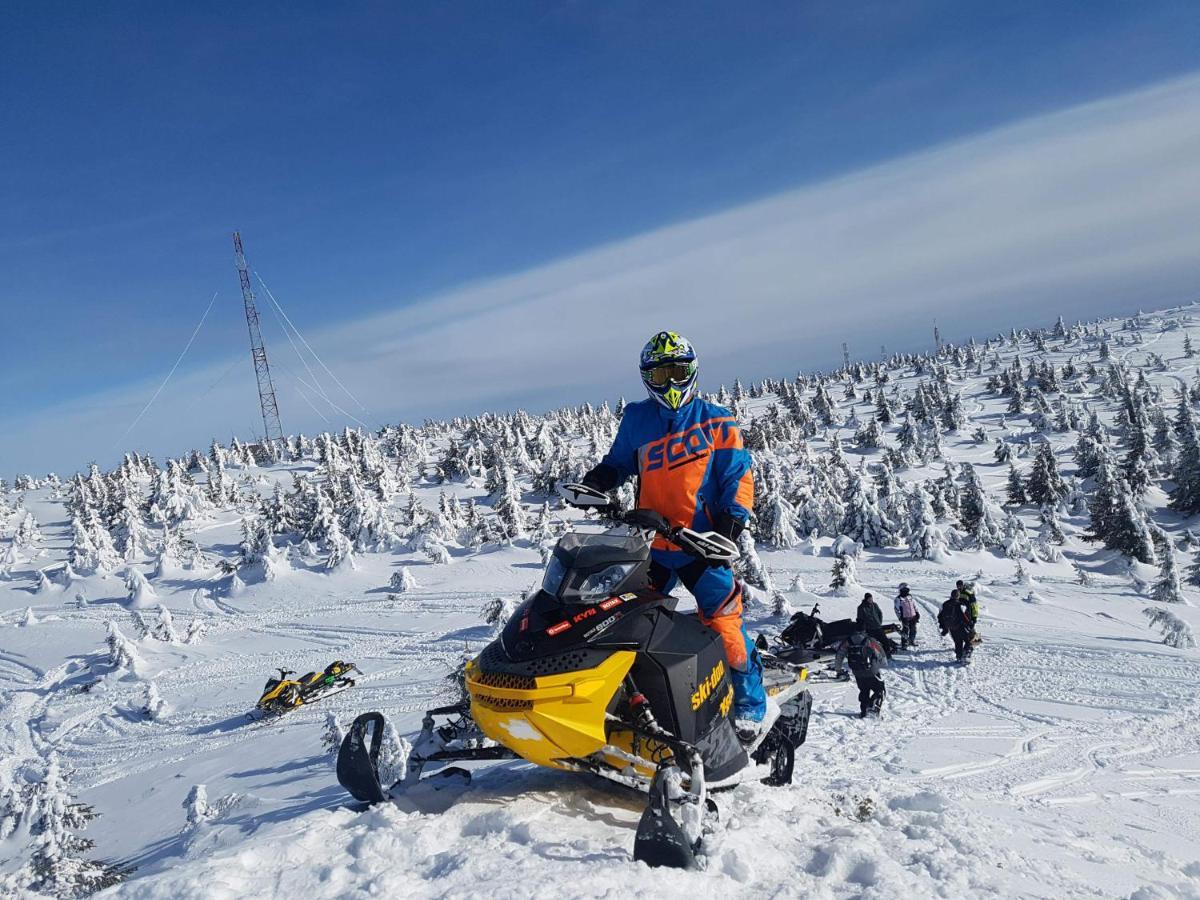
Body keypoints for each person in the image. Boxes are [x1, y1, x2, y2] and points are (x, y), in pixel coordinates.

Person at [578, 331, 767, 739]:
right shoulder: (637, 419)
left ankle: (750, 702)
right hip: (651, 545)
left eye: (677, 372)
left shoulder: (717, 420)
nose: (669, 383)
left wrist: (731, 527)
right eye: (660, 374)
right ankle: (630, 702)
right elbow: (618, 463)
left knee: (724, 626)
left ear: (692, 372)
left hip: (701, 544)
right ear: (648, 377)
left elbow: (738, 476)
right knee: (621, 621)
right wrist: (596, 481)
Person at [834, 625, 886, 718]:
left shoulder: (848, 641)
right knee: (880, 690)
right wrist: (881, 665)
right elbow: (880, 654)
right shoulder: (869, 640)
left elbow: (840, 654)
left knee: (864, 691)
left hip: (857, 672)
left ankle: (864, 711)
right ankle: (873, 708)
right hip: (872, 671)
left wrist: (838, 668)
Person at [938, 589, 976, 664]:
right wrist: (970, 624)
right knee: (970, 641)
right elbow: (965, 617)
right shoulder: (960, 604)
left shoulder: (945, 604)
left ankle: (959, 657)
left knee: (958, 642)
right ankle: (965, 657)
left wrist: (944, 628)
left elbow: (940, 616)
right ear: (958, 596)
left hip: (951, 628)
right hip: (960, 627)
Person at [856, 592, 895, 658]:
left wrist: (879, 622)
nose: (871, 600)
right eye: (869, 599)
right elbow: (860, 619)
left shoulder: (874, 605)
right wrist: (864, 627)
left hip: (878, 627)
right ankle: (873, 657)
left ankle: (887, 655)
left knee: (885, 641)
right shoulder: (861, 607)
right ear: (866, 599)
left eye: (871, 598)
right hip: (869, 629)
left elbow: (880, 613)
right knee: (872, 644)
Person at [893, 583, 920, 650]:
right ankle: (904, 644)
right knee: (905, 630)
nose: (906, 591)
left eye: (907, 589)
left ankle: (911, 641)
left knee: (913, 629)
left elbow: (914, 605)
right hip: (905, 617)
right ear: (901, 590)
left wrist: (917, 613)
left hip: (913, 616)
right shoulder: (898, 599)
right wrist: (900, 617)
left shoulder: (910, 597)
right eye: (904, 589)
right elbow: (896, 609)